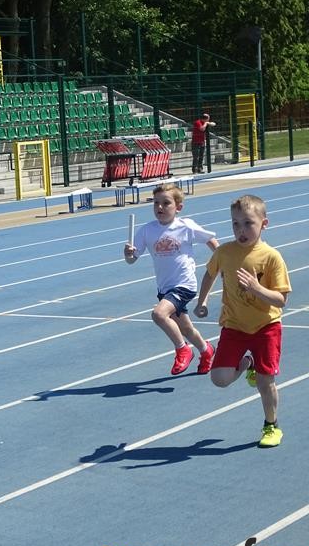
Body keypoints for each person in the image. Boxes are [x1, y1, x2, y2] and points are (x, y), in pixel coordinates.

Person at [194, 195, 292, 447]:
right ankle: (247, 361)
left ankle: (271, 426)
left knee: (265, 381)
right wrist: (202, 301)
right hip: (234, 326)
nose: (241, 230)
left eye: (248, 223)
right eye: (236, 224)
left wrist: (257, 289)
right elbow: (210, 273)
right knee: (220, 379)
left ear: (264, 223)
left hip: (266, 327)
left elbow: (281, 300)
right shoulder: (224, 252)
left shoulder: (271, 257)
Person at [124, 184, 219, 375]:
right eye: (156, 203)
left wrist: (223, 259)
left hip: (184, 285)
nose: (160, 207)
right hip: (165, 288)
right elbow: (132, 260)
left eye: (166, 203)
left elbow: (210, 240)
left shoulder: (185, 226)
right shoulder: (147, 230)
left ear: (178, 207)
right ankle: (206, 350)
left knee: (159, 314)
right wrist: (128, 254)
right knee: (186, 328)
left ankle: (183, 350)